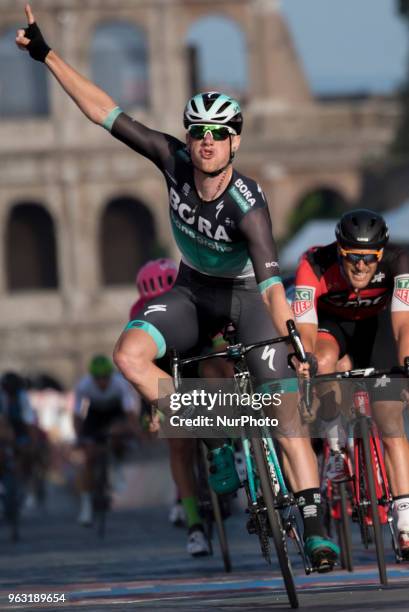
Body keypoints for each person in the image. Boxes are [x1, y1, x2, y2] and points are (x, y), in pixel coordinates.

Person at [16, 5, 339, 569]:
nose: (206, 142)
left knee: (286, 410)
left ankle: (313, 523)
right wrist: (47, 56)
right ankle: (215, 429)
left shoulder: (249, 205)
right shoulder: (171, 158)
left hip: (248, 297)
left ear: (235, 143)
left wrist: (289, 334)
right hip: (193, 292)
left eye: (219, 134)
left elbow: (268, 283)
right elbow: (103, 111)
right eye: (198, 133)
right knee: (130, 356)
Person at [293, 208, 409, 558]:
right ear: (339, 250)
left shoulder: (400, 262)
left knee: (389, 418)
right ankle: (334, 440)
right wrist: (307, 359)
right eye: (351, 258)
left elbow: (404, 324)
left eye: (368, 259)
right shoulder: (313, 263)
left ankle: (405, 520)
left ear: (381, 254)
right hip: (333, 328)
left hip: (378, 331)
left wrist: (406, 362)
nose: (360, 266)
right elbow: (306, 326)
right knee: (323, 361)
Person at [74, 355, 139, 525]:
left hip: (115, 414)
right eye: (98, 379)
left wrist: (134, 431)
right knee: (89, 458)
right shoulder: (84, 385)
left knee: (117, 433)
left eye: (105, 378)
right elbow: (77, 415)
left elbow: (129, 413)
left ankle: (117, 464)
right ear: (92, 378)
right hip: (94, 416)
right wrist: (79, 436)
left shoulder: (120, 384)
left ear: (111, 376)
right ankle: (86, 506)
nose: (102, 382)